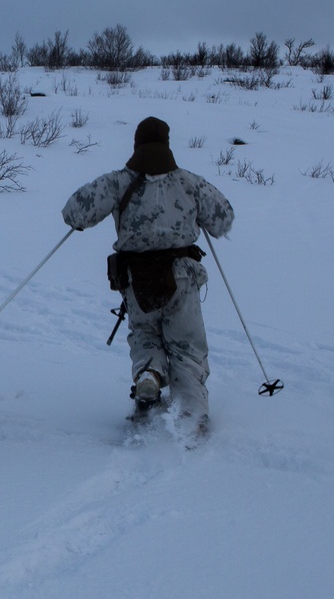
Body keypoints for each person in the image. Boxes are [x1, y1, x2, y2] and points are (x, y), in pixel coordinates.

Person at [61, 116, 234, 434]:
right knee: (185, 346)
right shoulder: (188, 182)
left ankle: (149, 375)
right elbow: (224, 218)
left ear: (136, 144)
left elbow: (73, 213)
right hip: (181, 276)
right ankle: (192, 417)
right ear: (167, 144)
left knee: (145, 335)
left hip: (136, 278)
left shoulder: (117, 182)